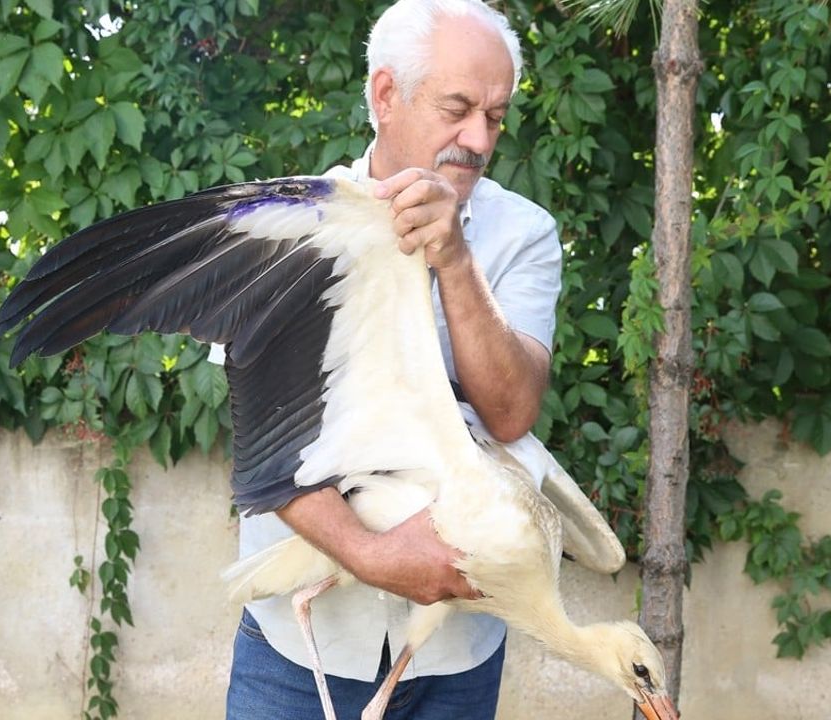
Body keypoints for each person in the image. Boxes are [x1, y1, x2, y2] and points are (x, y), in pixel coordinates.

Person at [225, 1, 561, 717]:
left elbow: (509, 413)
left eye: (496, 117)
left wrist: (456, 260)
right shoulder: (293, 228)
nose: (478, 138)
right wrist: (369, 555)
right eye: (458, 108)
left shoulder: (523, 235)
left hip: (454, 655)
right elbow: (264, 437)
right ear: (385, 95)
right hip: (298, 649)